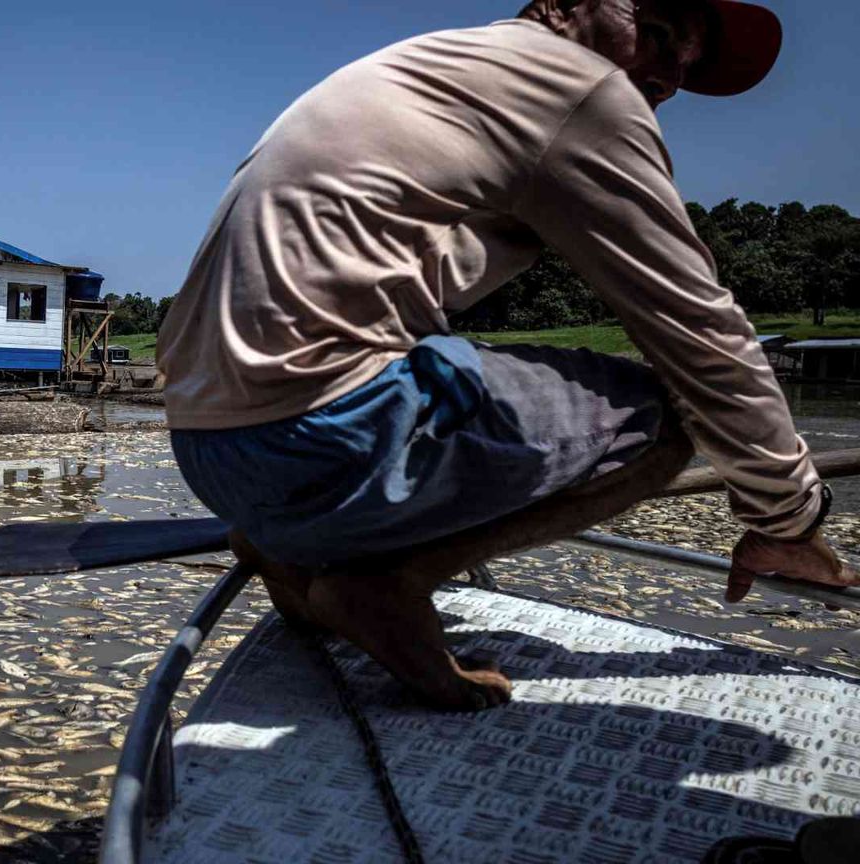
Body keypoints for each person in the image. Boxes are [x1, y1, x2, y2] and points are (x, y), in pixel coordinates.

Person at [156, 0, 860, 711]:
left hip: (209, 452)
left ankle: (285, 551)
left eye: (686, 61)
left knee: (446, 355)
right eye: (656, 33)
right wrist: (788, 517)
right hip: (318, 440)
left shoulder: (440, 66)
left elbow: (416, 278)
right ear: (563, 7)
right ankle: (390, 580)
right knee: (674, 415)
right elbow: (700, 333)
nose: (671, 76)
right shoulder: (579, 87)